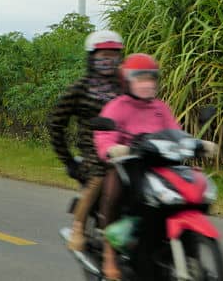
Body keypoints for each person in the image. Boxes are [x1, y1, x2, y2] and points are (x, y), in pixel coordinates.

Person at [93, 53, 179, 281]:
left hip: (158, 167)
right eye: (140, 78)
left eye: (151, 78)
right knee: (114, 188)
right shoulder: (116, 107)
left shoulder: (160, 108)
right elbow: (104, 136)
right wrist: (112, 149)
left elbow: (176, 132)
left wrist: (198, 144)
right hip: (127, 166)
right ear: (127, 81)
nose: (147, 84)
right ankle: (109, 255)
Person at [47, 29, 125, 252]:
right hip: (93, 151)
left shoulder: (125, 86)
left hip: (126, 146)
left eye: (113, 55)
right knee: (100, 176)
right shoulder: (80, 88)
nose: (108, 60)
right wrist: (68, 161)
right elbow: (56, 123)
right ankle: (78, 228)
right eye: (103, 56)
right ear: (92, 58)